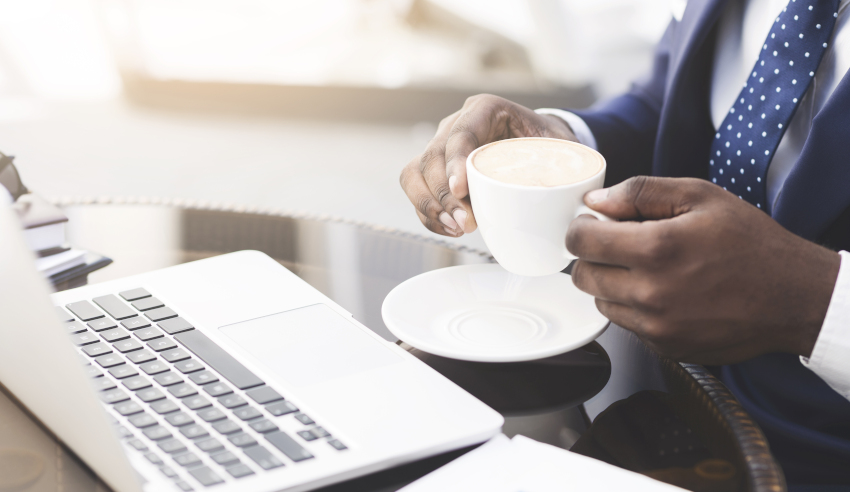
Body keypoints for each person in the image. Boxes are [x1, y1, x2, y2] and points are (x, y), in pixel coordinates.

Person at [399, 0, 850, 488]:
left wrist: (810, 300)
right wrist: (560, 143)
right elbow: (674, 101)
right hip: (649, 402)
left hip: (818, 454)